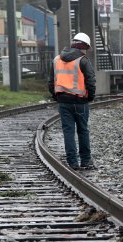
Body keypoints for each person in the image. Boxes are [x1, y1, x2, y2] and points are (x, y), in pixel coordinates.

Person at [48, 32, 96, 170]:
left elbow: (51, 82)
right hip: (80, 101)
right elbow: (91, 82)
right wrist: (90, 97)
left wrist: (56, 96)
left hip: (63, 101)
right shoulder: (83, 60)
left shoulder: (57, 59)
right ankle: (86, 160)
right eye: (86, 48)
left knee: (68, 131)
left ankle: (72, 163)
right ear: (83, 46)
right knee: (83, 130)